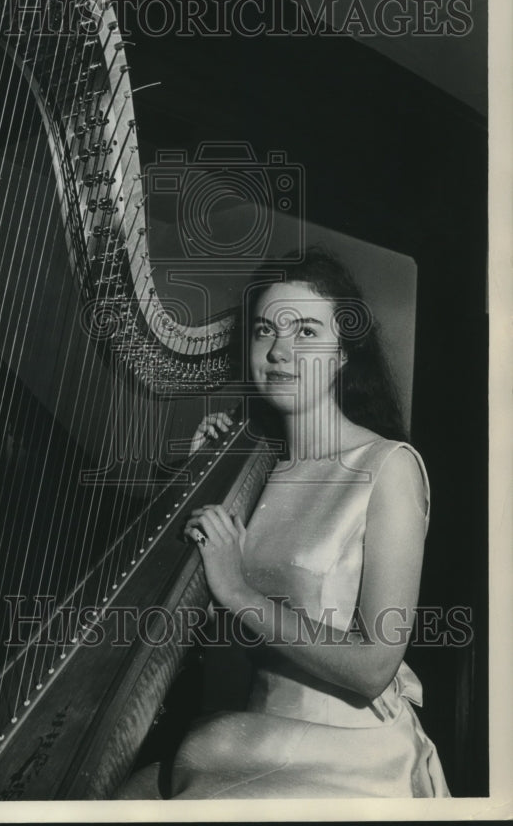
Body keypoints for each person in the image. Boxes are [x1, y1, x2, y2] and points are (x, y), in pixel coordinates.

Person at [120, 246, 450, 799]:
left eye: (306, 333)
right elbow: (190, 623)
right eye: (266, 330)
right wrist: (191, 481)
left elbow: (374, 666)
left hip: (347, 756)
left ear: (343, 353)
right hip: (250, 734)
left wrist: (238, 590)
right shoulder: (250, 472)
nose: (278, 352)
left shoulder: (389, 468)